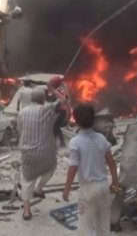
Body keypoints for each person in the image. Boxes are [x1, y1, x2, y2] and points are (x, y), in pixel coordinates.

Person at [63, 103, 119, 236]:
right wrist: (115, 182)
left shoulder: (75, 142)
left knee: (85, 227)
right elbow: (112, 163)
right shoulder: (101, 139)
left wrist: (67, 188)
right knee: (104, 226)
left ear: (75, 121)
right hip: (103, 186)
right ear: (94, 120)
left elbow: (73, 167)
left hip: (87, 189)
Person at [17, 76, 69, 220]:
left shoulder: (22, 113)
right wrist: (55, 89)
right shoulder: (48, 109)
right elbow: (64, 101)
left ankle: (26, 211)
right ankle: (39, 188)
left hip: (27, 153)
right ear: (42, 99)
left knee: (27, 181)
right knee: (51, 167)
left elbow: (19, 131)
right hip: (46, 153)